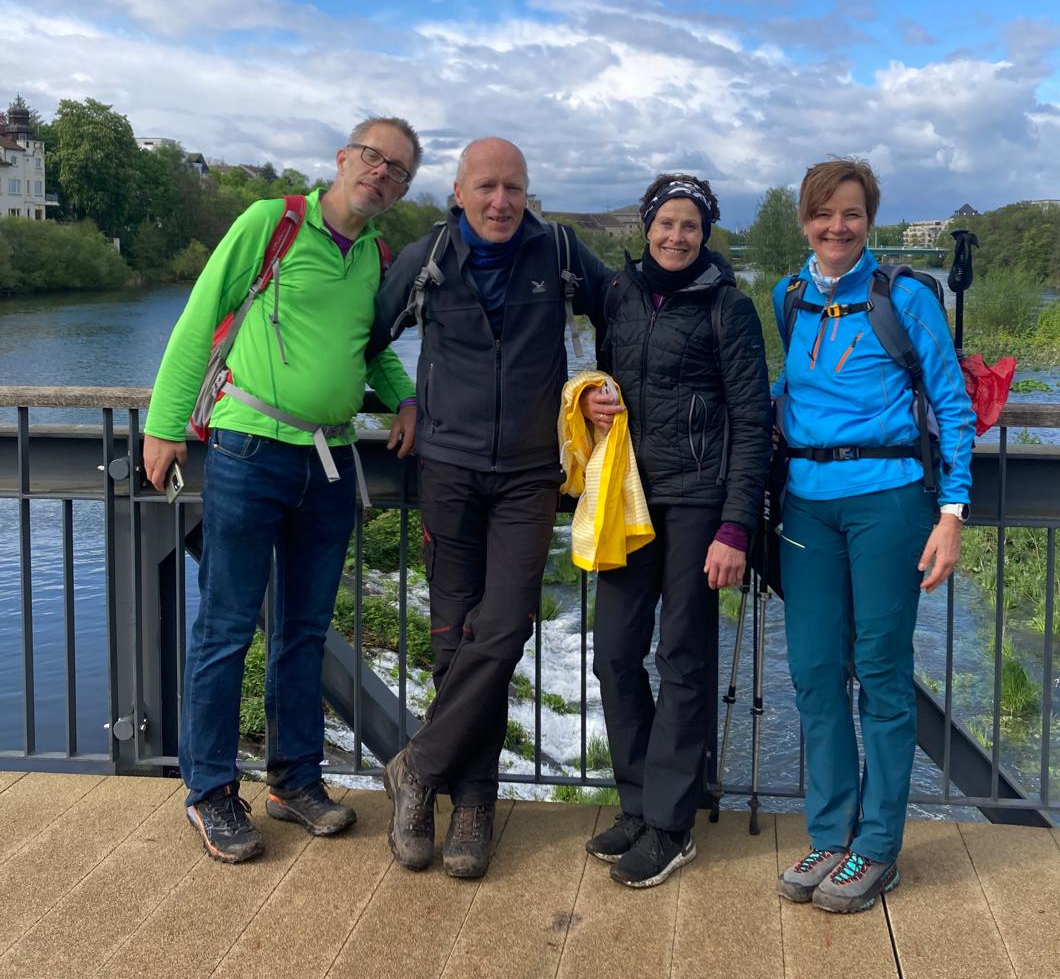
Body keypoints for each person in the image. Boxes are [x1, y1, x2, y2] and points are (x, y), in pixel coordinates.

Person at [142, 117, 422, 862]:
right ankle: (209, 792)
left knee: (303, 630)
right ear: (343, 158)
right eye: (373, 157)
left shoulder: (375, 257)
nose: (382, 174)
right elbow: (200, 318)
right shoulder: (274, 222)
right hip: (248, 450)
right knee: (227, 628)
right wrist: (164, 426)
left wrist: (405, 398)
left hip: (328, 461)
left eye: (398, 170)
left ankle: (294, 779)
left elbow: (369, 349)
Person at [373, 137, 611, 880]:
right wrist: (401, 397)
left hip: (531, 475)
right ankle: (470, 803)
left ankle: (418, 768)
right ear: (459, 192)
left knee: (503, 630)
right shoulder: (428, 257)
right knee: (453, 638)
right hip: (447, 469)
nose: (501, 201)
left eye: (513, 187)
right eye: (486, 187)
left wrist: (603, 388)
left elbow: (625, 313)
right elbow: (365, 335)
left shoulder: (560, 252)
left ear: (527, 192)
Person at [773, 158, 972, 914]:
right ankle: (830, 835)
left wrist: (952, 514)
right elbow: (792, 390)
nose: (837, 227)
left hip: (889, 502)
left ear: (869, 220)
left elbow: (951, 404)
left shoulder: (905, 296)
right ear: (804, 220)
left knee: (881, 671)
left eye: (851, 213)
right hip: (805, 505)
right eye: (823, 213)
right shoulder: (789, 296)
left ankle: (879, 847)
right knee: (816, 671)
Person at [581, 174, 771, 888]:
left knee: (683, 658)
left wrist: (736, 526)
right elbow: (606, 378)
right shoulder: (619, 295)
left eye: (690, 225)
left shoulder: (729, 307)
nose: (676, 236)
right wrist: (591, 399)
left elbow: (751, 421)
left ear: (705, 233)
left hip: (697, 501)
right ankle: (637, 802)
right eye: (666, 223)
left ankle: (670, 823)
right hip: (628, 496)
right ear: (647, 226)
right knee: (613, 655)